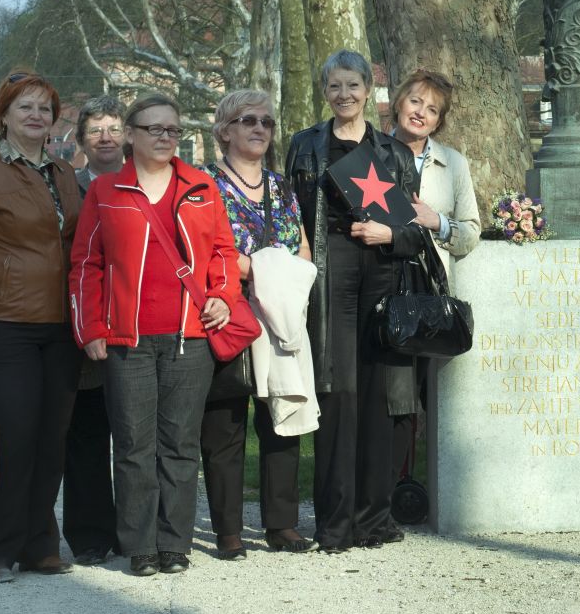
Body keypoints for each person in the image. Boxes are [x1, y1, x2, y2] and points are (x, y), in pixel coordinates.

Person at [69, 93, 241, 577]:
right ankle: (140, 544)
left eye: (172, 130)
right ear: (130, 135)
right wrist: (91, 328)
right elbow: (86, 264)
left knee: (181, 444)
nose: (166, 137)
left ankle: (175, 543)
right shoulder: (106, 190)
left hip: (191, 336)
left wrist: (222, 297)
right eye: (154, 129)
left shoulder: (202, 186)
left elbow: (224, 253)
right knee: (133, 446)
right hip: (128, 341)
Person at [0, 71, 83, 585]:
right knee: (13, 438)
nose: (35, 116)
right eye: (24, 107)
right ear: (3, 115)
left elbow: (78, 248)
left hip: (61, 326)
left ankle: (38, 541)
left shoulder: (63, 174)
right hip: (6, 325)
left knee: (52, 439)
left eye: (44, 109)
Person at [286, 50, 423, 552]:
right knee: (337, 392)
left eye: (353, 86)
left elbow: (414, 236)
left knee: (378, 395)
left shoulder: (395, 154)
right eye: (334, 87)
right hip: (330, 270)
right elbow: (291, 218)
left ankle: (374, 519)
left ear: (369, 90)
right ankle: (335, 524)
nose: (344, 95)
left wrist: (389, 231)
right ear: (325, 92)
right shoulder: (304, 147)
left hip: (381, 273)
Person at [198, 90, 318, 559]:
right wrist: (258, 268)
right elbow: (204, 249)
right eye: (248, 120)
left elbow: (304, 249)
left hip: (282, 315)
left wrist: (267, 269)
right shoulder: (203, 184)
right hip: (227, 313)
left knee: (281, 419)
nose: (259, 129)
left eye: (267, 122)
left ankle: (281, 525)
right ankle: (228, 530)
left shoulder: (283, 187)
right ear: (224, 129)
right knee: (224, 424)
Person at [388, 69, 482, 487]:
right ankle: (392, 485)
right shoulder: (372, 154)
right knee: (392, 394)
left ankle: (437, 490)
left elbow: (471, 232)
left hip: (432, 293)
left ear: (439, 120)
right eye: (415, 102)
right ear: (398, 103)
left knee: (432, 395)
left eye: (432, 110)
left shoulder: (454, 164)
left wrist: (436, 221)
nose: (421, 113)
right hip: (385, 286)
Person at [62, 93, 125, 566]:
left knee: (134, 434)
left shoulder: (144, 181)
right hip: (84, 321)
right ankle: (89, 534)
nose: (105, 137)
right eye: (95, 129)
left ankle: (135, 526)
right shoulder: (67, 186)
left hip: (135, 322)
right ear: (82, 139)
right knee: (84, 434)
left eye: (113, 127)